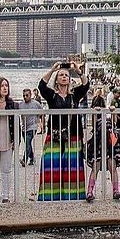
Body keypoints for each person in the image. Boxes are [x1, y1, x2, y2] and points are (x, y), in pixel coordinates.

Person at [37, 60, 89, 201]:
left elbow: (86, 85)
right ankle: (50, 196)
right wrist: (53, 70)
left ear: (70, 79)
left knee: (72, 167)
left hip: (73, 135)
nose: (64, 77)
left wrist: (78, 71)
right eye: (61, 75)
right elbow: (41, 86)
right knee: (52, 165)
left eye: (66, 75)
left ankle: (73, 194)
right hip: (55, 136)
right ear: (57, 79)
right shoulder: (52, 95)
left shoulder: (75, 95)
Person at [85, 95, 120, 202]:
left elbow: (113, 122)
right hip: (102, 144)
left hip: (106, 144)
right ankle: (92, 191)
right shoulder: (102, 117)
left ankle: (91, 191)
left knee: (103, 168)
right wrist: (110, 111)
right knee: (107, 168)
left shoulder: (105, 116)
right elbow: (114, 122)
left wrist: (111, 111)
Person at [17, 88, 43, 166]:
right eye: (24, 95)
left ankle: (25, 160)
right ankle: (32, 158)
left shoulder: (36, 104)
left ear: (30, 95)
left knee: (28, 142)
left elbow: (42, 113)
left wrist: (42, 125)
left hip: (33, 127)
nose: (25, 97)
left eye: (27, 95)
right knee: (28, 144)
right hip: (24, 127)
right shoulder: (20, 105)